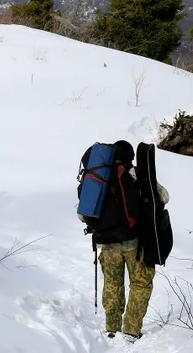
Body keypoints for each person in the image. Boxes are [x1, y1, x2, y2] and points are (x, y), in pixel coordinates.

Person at [78, 140, 170, 343]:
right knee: (141, 283)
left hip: (105, 243)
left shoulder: (97, 175)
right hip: (133, 241)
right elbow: (165, 196)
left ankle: (112, 328)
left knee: (112, 284)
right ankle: (131, 330)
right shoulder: (133, 173)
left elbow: (81, 214)